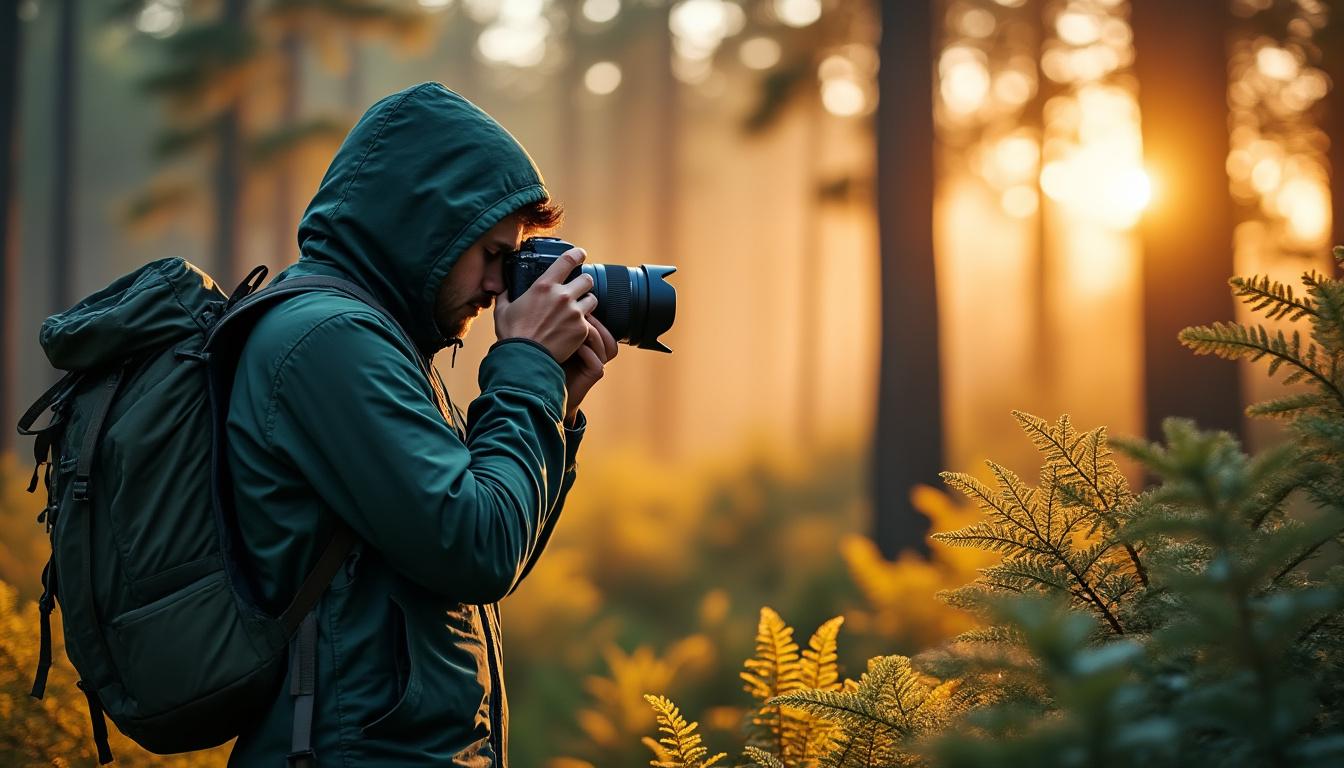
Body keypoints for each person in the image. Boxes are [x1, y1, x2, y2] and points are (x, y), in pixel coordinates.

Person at [224, 82, 614, 766]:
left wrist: (557, 403)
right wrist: (523, 369)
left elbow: (498, 545)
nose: (502, 286)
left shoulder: (374, 338)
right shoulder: (328, 341)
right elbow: (479, 549)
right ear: (423, 226)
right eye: (494, 254)